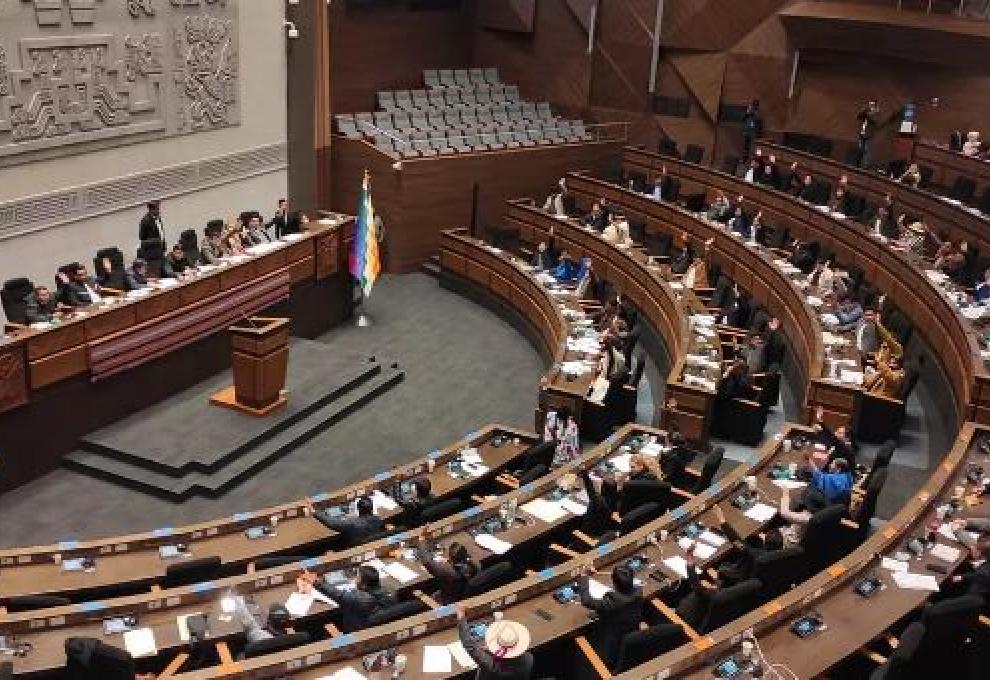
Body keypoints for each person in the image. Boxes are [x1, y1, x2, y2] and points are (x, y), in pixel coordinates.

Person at [578, 563, 644, 667]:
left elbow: (586, 601)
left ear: (615, 583)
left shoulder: (613, 600)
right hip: (631, 630)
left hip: (611, 643)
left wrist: (584, 576)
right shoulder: (639, 591)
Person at [455, 604, 534, 680]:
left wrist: (461, 616)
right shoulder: (529, 658)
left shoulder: (493, 666)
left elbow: (470, 646)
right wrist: (491, 649)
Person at [413, 525, 478, 604]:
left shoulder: (447, 571)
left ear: (451, 559)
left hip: (449, 601)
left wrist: (422, 538)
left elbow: (427, 560)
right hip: (466, 596)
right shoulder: (475, 565)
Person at [324, 564, 396, 632]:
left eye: (357, 577)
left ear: (364, 585)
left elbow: (337, 594)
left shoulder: (359, 599)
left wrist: (317, 583)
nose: (355, 580)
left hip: (355, 634)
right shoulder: (390, 591)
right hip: (378, 630)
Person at [307, 495, 384, 548]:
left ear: (359, 509)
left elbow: (331, 523)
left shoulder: (353, 523)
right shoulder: (378, 519)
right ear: (372, 508)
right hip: (368, 542)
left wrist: (314, 512)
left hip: (351, 546)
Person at [855, 100, 879, 168]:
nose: (870, 106)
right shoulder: (866, 112)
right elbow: (858, 116)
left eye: (872, 104)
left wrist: (868, 113)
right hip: (862, 133)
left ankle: (864, 166)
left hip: (869, 135)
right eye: (869, 104)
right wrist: (863, 110)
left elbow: (874, 120)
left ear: (875, 105)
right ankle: (858, 165)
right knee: (860, 150)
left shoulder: (876, 113)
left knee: (866, 151)